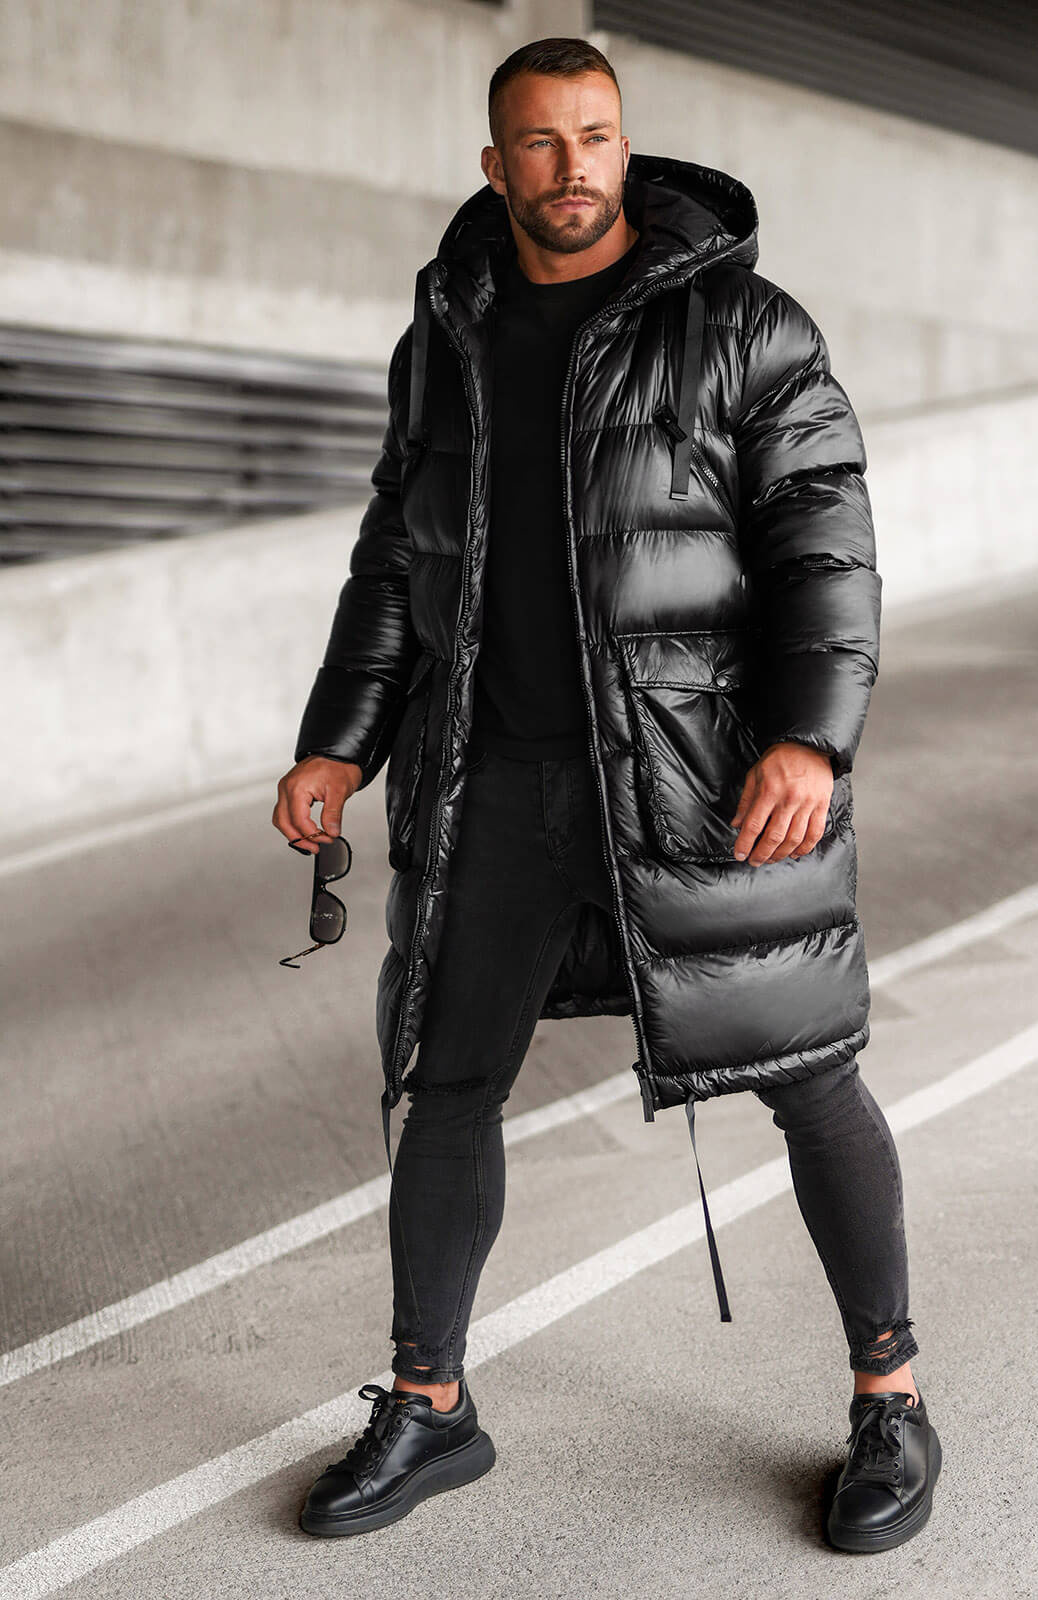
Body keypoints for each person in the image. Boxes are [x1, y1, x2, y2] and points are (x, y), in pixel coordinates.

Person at [273, 35, 940, 1554]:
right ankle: (430, 1403)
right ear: (494, 163)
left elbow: (825, 545)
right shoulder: (446, 336)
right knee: (445, 1085)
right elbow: (396, 560)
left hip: (702, 784)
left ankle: (891, 1397)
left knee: (808, 1071)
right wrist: (339, 741)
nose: (572, 166)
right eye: (540, 141)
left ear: (623, 147)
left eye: (595, 136)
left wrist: (811, 739)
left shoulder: (743, 325)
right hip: (489, 785)